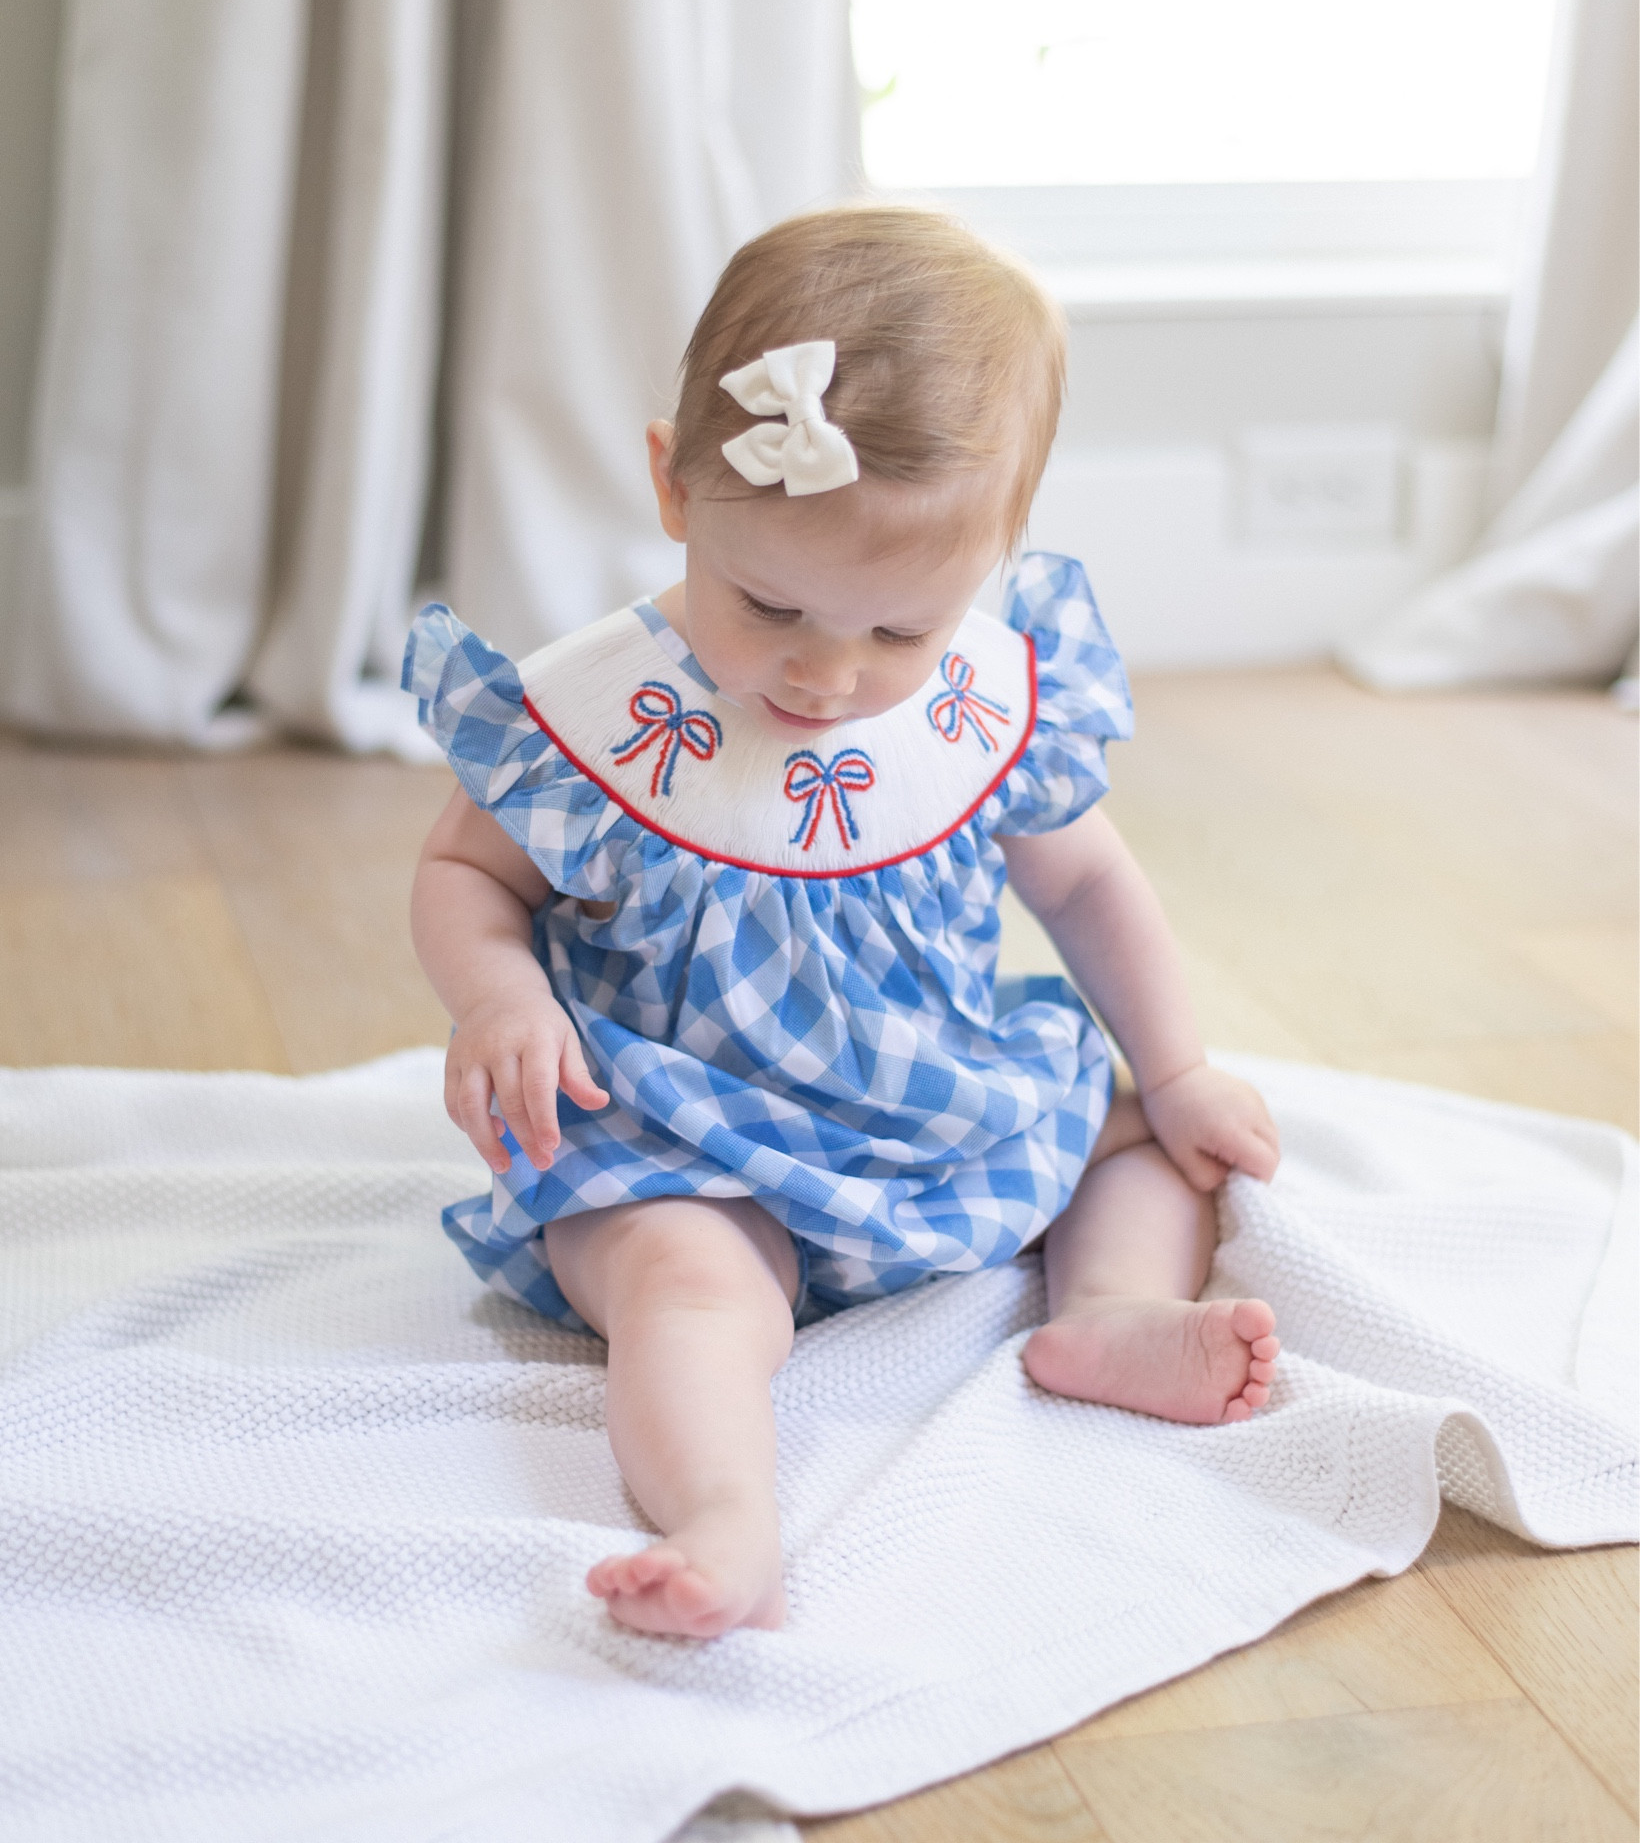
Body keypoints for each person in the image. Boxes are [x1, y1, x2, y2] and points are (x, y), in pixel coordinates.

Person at [405, 206, 1281, 1641]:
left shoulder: (979, 709)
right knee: (681, 1288)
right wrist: (499, 996)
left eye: (896, 632)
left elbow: (1089, 885)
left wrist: (1178, 1070)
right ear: (673, 488)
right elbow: (466, 876)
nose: (824, 675)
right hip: (678, 1132)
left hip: (934, 1105)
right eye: (771, 605)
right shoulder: (599, 717)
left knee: (1137, 1137)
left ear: (991, 569)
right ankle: (724, 1517)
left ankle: (1105, 1314)